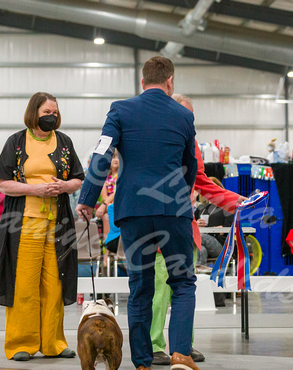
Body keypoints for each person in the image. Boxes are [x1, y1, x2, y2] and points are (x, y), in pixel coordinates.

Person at [76, 56, 199, 370]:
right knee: (183, 283)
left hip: (133, 209)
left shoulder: (121, 110)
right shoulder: (183, 116)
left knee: (140, 285)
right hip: (174, 210)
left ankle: (142, 362)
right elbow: (191, 166)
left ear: (142, 82)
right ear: (170, 81)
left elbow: (102, 155)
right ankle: (181, 356)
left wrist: (88, 198)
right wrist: (180, 198)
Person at [150, 94, 246, 366]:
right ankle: (155, 344)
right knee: (159, 292)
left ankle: (182, 347)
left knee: (185, 294)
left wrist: (234, 200)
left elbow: (203, 182)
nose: (188, 122)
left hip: (185, 228)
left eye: (191, 117)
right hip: (158, 229)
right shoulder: (154, 140)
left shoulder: (192, 145)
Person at [0, 92, 84, 361]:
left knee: (55, 284)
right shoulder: (16, 142)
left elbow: (78, 178)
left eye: (54, 112)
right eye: (46, 112)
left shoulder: (64, 142)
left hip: (58, 226)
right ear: (34, 113)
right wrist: (37, 189)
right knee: (24, 285)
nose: (51, 116)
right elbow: (2, 182)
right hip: (25, 225)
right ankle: (21, 343)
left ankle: (54, 342)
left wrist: (64, 186)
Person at [95, 151, 119, 240]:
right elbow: (104, 195)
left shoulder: (122, 176)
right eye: (113, 157)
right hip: (108, 206)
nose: (115, 160)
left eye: (117, 157)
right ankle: (108, 249)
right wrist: (107, 205)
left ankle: (115, 248)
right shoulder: (104, 178)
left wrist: (105, 205)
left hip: (119, 205)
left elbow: (117, 192)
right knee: (106, 217)